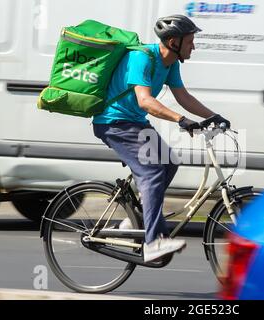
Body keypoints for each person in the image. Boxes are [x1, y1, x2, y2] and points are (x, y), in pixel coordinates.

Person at [92, 15, 230, 262]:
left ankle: (133, 221)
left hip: (134, 123)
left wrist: (214, 116)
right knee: (153, 172)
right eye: (190, 41)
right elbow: (145, 101)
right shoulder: (142, 57)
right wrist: (181, 120)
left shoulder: (171, 63)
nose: (194, 46)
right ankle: (153, 242)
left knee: (169, 161)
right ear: (173, 41)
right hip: (114, 123)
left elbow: (182, 96)